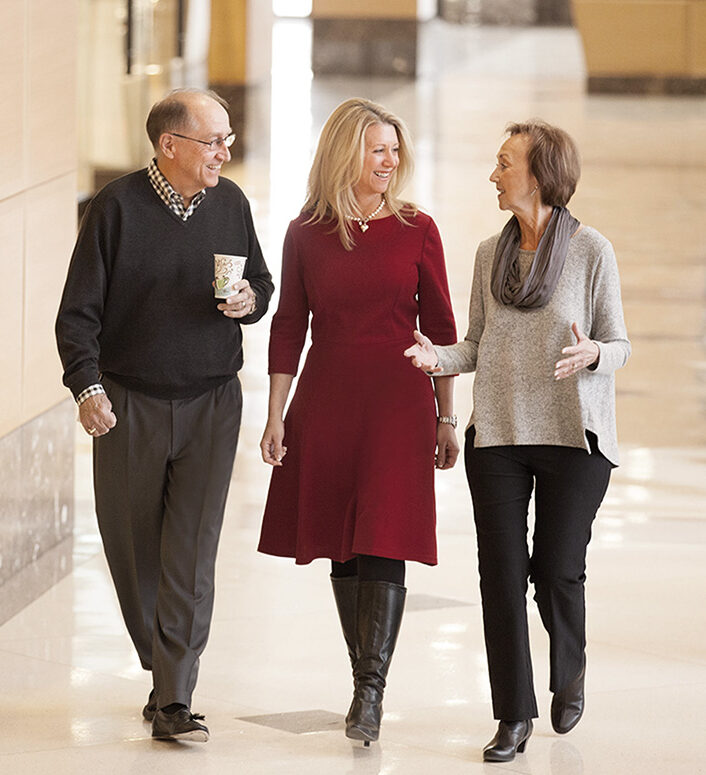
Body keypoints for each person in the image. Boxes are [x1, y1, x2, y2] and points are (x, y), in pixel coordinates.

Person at [405, 120, 631, 763]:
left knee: (556, 570)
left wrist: (594, 354)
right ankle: (512, 714)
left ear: (539, 174)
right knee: (500, 576)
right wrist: (437, 358)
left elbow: (620, 344)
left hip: (573, 436)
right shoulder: (488, 253)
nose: (493, 174)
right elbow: (477, 344)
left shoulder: (592, 251)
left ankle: (570, 670)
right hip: (498, 435)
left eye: (505, 163)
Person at [55, 88, 274, 743]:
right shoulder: (115, 208)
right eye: (213, 141)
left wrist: (248, 300)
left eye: (227, 139)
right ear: (169, 144)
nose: (225, 152)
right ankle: (163, 661)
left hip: (213, 400)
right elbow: (78, 313)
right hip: (130, 405)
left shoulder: (230, 202)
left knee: (192, 553)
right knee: (132, 549)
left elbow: (263, 281)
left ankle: (174, 694)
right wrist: (86, 386)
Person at [257, 98, 458, 745]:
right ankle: (362, 674)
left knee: (384, 536)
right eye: (378, 150)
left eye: (394, 150)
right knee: (341, 540)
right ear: (347, 153)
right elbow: (289, 325)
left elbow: (445, 330)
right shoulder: (305, 232)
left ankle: (369, 690)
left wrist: (446, 416)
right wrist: (275, 414)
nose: (389, 161)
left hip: (399, 403)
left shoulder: (417, 227)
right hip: (328, 400)